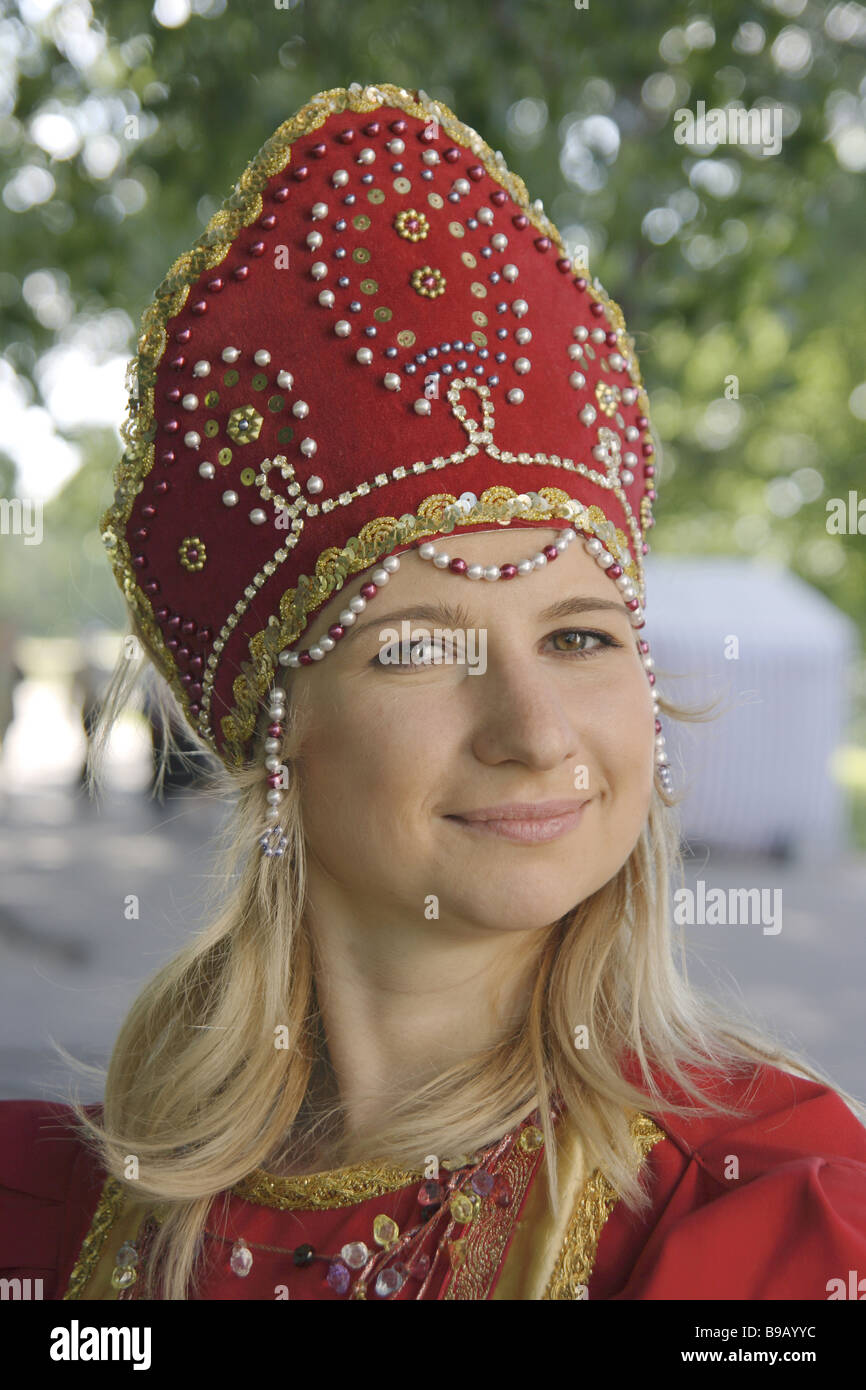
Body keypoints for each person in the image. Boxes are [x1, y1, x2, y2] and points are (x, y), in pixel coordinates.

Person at [1, 81, 864, 1303]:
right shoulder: (51, 1215)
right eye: (416, 647)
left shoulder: (760, 1218)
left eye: (577, 638)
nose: (534, 731)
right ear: (274, 736)